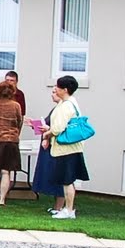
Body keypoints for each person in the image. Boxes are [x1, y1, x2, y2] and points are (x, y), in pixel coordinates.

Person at [43, 75, 90, 220]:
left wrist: (47, 133)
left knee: (67, 181)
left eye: (57, 87)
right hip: (72, 148)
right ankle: (67, 208)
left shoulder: (66, 106)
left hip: (66, 149)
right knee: (67, 181)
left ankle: (69, 210)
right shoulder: (70, 102)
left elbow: (57, 128)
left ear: (64, 89)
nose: (55, 89)